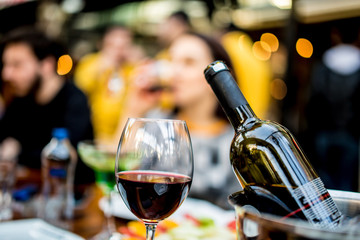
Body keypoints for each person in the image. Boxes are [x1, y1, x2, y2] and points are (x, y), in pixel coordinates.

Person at [118, 32, 241, 209]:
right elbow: (115, 175)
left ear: (218, 78)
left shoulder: (236, 142)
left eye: (188, 62)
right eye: (172, 61)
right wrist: (132, 109)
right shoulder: (155, 122)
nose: (173, 72)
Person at [0, 27, 94, 193]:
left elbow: (63, 156)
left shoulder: (74, 100)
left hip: (71, 195)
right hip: (27, 191)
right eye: (6, 65)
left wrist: (17, 151)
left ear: (46, 65)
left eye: (17, 65)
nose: (6, 74)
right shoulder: (21, 97)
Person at [305, 19, 360, 192]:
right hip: (351, 135)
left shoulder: (322, 67)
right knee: (346, 183)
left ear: (335, 35)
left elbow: (312, 101)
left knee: (324, 184)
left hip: (324, 134)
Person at [74, 25, 144, 144]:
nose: (118, 51)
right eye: (113, 45)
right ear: (103, 44)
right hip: (91, 135)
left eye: (123, 46)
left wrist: (140, 63)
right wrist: (101, 66)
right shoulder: (91, 62)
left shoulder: (131, 69)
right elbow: (79, 89)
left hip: (123, 136)